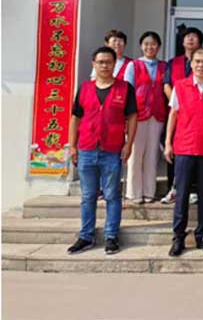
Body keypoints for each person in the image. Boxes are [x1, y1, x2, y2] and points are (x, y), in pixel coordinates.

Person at [66, 46, 137, 255]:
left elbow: (132, 117)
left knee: (112, 195)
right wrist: (72, 145)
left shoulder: (125, 88)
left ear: (115, 64)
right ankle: (86, 236)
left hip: (112, 149)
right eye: (100, 62)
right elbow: (75, 118)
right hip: (87, 148)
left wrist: (129, 144)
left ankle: (111, 236)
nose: (104, 66)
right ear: (94, 64)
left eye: (108, 62)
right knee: (88, 195)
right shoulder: (85, 88)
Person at [164, 47, 203, 257]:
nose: (201, 65)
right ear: (191, 64)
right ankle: (178, 237)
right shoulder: (181, 86)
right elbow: (173, 114)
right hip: (184, 147)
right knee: (181, 194)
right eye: (197, 61)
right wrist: (168, 143)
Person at [161, 26, 203, 204]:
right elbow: (166, 84)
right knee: (172, 150)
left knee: (195, 151)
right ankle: (173, 188)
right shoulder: (173, 62)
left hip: (196, 116)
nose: (190, 39)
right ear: (182, 41)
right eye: (187, 37)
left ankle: (192, 189)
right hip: (176, 113)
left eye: (194, 37)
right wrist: (178, 103)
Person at [123, 31, 167, 203]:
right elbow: (127, 90)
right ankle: (134, 192)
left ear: (159, 46)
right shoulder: (133, 65)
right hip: (138, 114)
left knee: (152, 154)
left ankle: (149, 192)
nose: (150, 47)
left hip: (157, 113)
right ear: (141, 46)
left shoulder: (164, 66)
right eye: (146, 44)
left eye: (153, 44)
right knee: (135, 154)